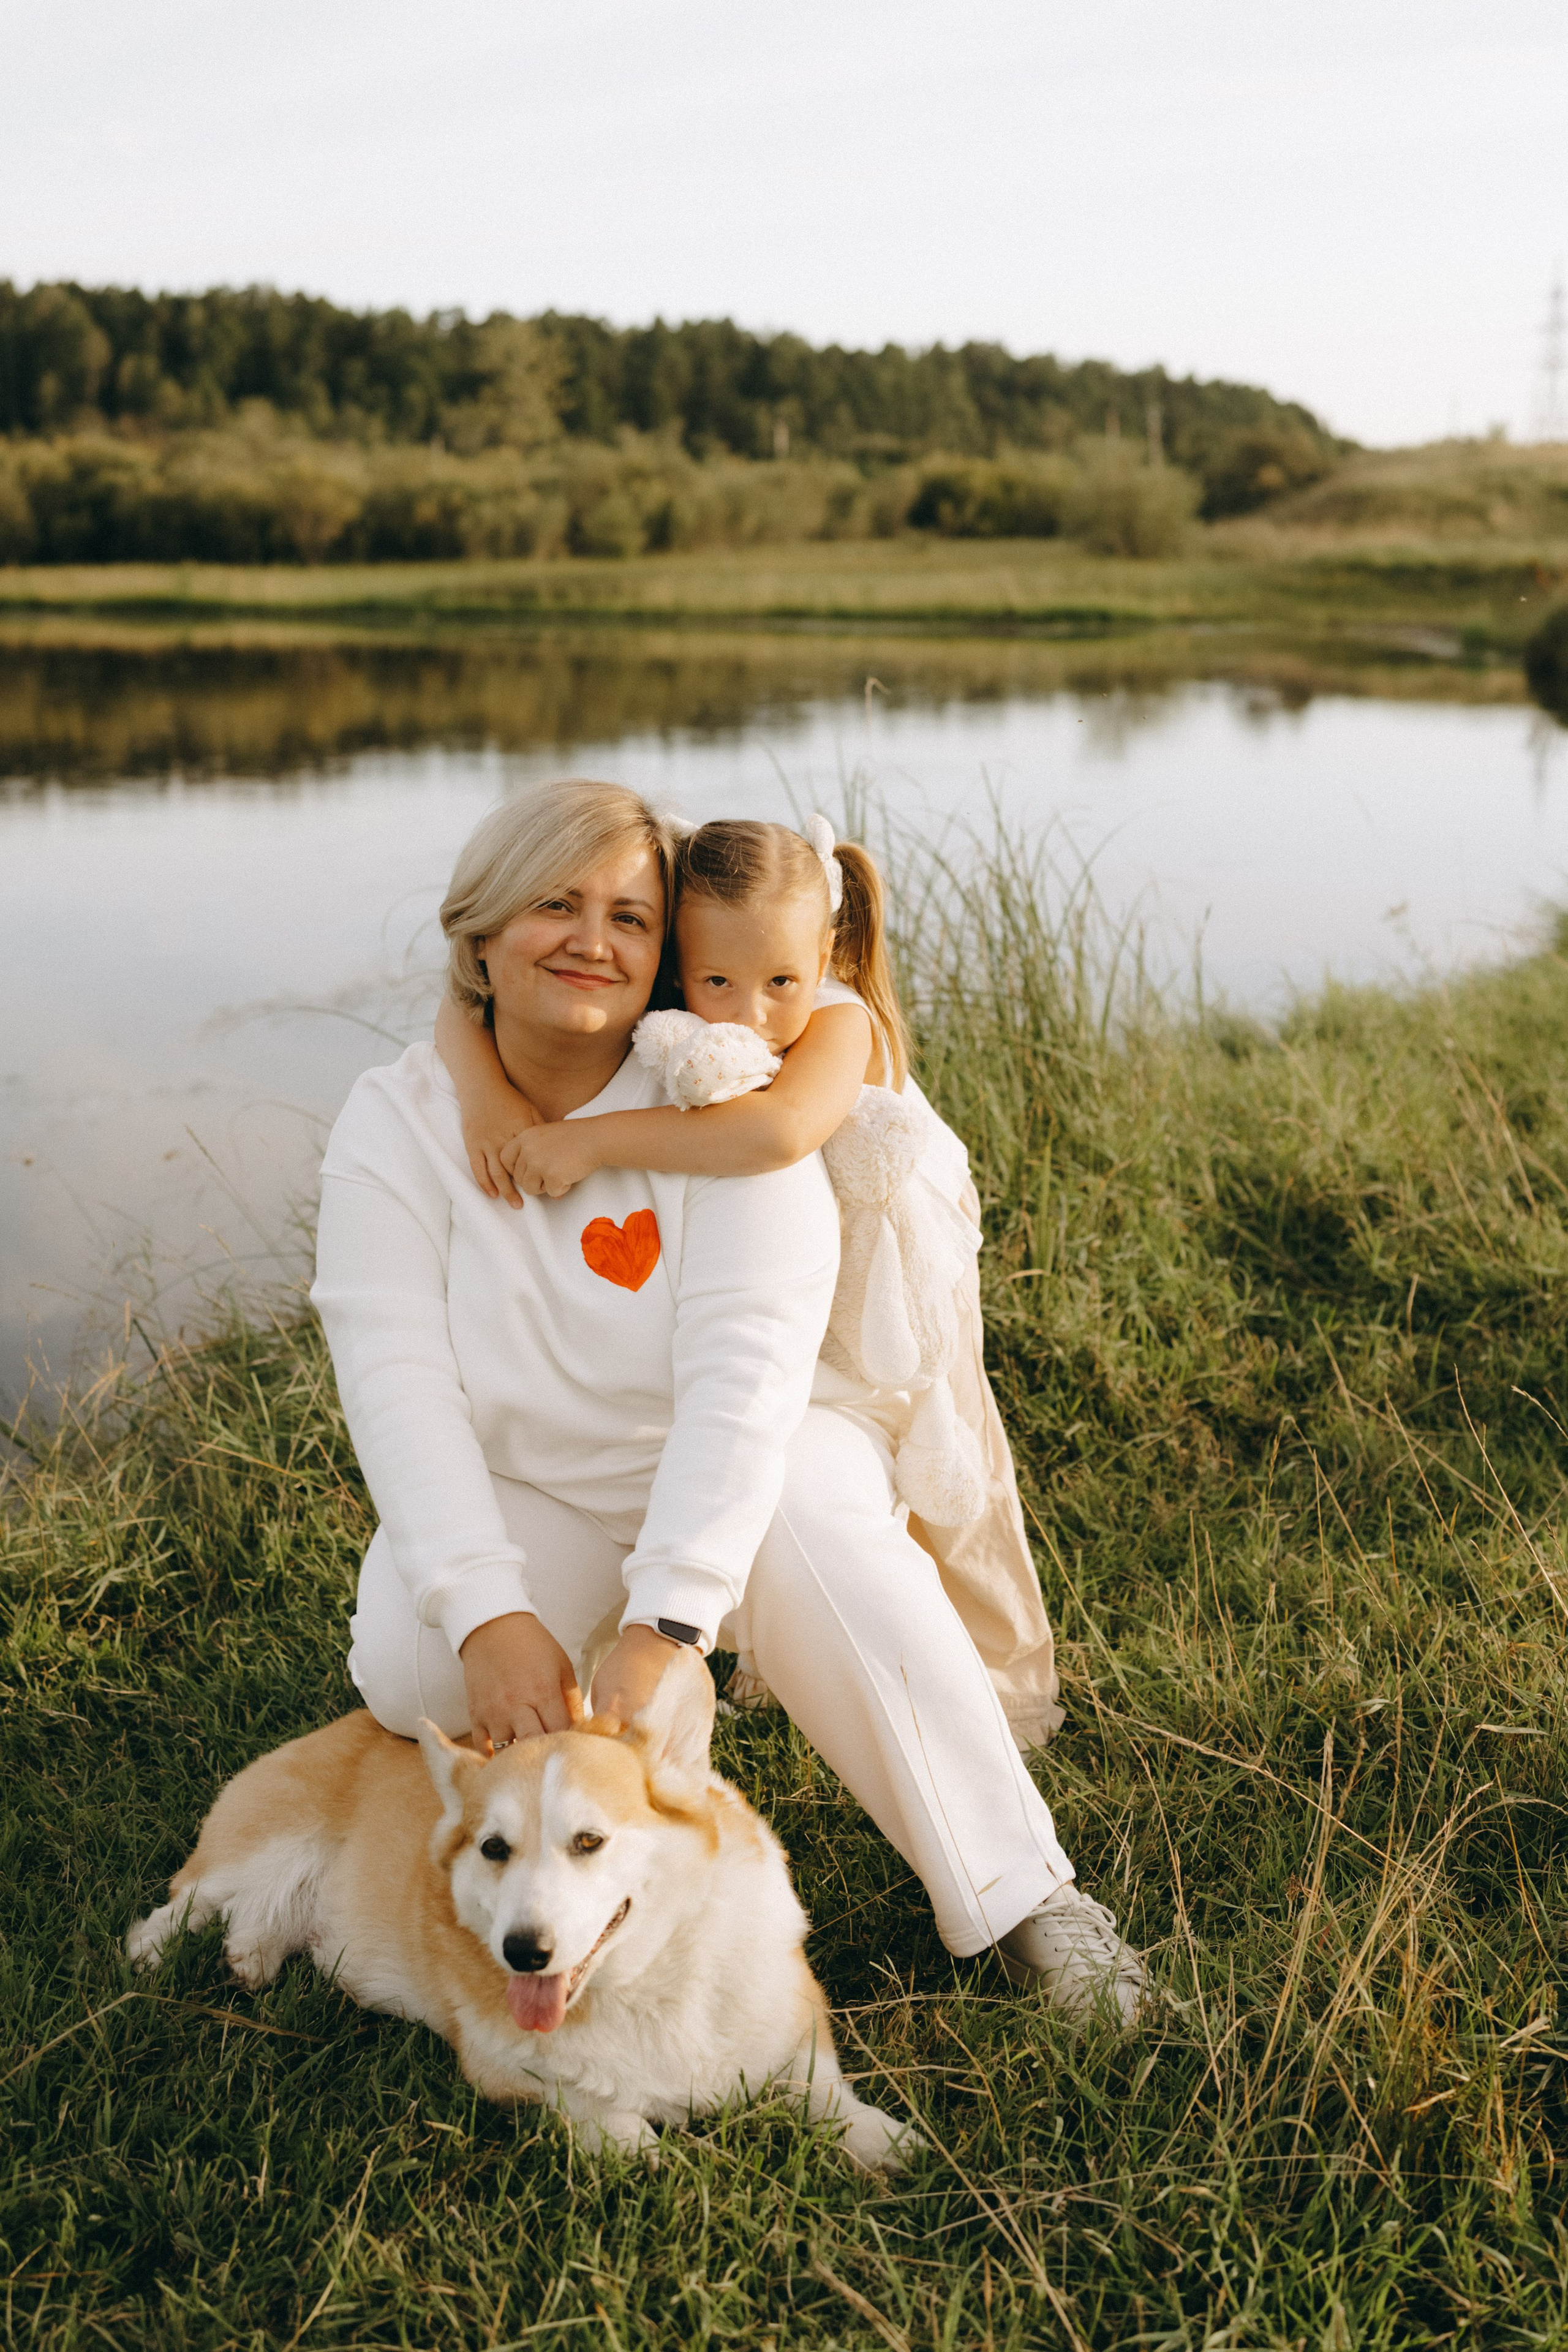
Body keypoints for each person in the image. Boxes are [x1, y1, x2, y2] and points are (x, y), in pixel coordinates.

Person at [314, 778, 1145, 2023]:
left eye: (629, 918)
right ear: (481, 934)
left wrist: (673, 1618)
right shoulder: (397, 1121)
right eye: (554, 904)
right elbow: (394, 1380)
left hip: (758, 1467)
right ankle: (595, 1747)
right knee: (406, 1661)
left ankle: (1022, 1898)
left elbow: (746, 1372)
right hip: (537, 1483)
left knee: (813, 1515)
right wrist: (488, 1612)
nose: (592, 939)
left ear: (665, 956)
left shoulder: (722, 1100)